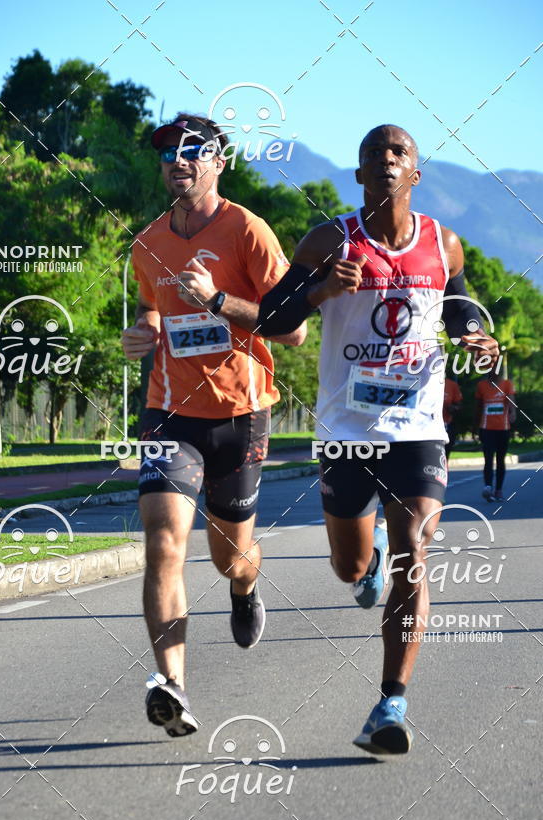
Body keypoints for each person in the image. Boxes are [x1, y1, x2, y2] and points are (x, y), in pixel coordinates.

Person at [191, 124, 499, 755]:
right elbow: (273, 320)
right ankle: (370, 554)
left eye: (398, 154)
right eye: (373, 156)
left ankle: (390, 703)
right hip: (346, 430)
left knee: (418, 545)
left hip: (418, 426)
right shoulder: (328, 239)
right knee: (350, 567)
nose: (386, 161)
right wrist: (322, 289)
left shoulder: (445, 243)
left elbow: (460, 307)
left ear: (415, 173)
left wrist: (478, 337)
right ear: (359, 175)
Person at [121, 113, 306, 738]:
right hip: (169, 412)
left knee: (230, 557)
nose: (178, 159)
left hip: (240, 413)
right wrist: (142, 332)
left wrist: (218, 301)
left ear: (218, 162)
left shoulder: (248, 231)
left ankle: (244, 591)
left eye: (192, 151)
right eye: (169, 152)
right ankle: (171, 685)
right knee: (163, 542)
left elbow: (294, 327)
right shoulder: (147, 244)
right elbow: (150, 309)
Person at [474, 370, 515, 501]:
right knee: (488, 458)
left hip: (503, 428)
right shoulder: (482, 385)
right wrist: (476, 425)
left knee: (500, 460)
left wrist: (513, 412)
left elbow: (512, 401)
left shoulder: (507, 384)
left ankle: (498, 490)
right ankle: (488, 487)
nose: (494, 373)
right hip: (486, 428)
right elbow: (479, 406)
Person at [443, 376, 463, 459]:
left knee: (444, 457)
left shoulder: (451, 385)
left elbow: (459, 406)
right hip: (426, 426)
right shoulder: (422, 382)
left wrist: (453, 408)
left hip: (446, 426)